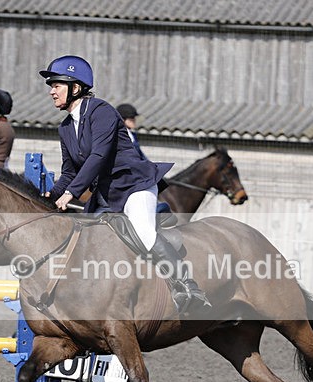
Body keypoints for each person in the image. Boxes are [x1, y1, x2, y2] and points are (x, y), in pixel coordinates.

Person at [40, 55, 210, 314]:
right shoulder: (65, 127)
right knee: (83, 239)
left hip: (133, 185)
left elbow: (99, 156)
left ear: (76, 88)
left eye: (57, 85)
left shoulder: (102, 112)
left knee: (142, 230)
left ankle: (187, 286)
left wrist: (72, 193)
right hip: (106, 194)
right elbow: (69, 171)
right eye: (51, 86)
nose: (51, 91)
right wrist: (51, 196)